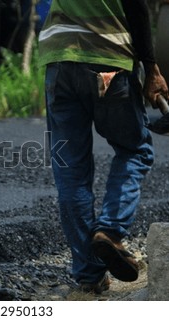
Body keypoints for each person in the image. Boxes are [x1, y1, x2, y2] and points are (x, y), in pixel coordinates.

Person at [39, 0, 169, 294]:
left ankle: (90, 273)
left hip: (58, 60)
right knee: (135, 149)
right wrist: (151, 69)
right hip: (107, 59)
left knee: (71, 171)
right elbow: (137, 9)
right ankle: (110, 231)